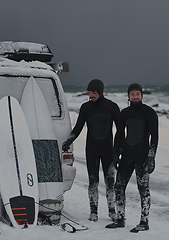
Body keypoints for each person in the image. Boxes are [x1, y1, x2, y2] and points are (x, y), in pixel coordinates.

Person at [62, 79, 120, 222]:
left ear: (100, 91)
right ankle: (93, 211)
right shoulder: (86, 107)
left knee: (110, 182)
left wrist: (118, 150)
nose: (91, 95)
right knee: (93, 181)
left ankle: (112, 211)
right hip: (92, 149)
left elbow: (120, 129)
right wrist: (70, 140)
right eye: (89, 92)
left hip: (108, 150)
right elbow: (79, 126)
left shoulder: (112, 107)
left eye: (94, 92)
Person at [105, 83, 158, 233]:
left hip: (142, 156)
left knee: (143, 189)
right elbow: (120, 134)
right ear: (128, 96)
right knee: (119, 187)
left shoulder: (149, 112)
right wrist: (116, 154)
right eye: (132, 94)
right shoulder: (125, 113)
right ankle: (120, 219)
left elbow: (155, 137)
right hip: (127, 155)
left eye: (137, 94)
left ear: (141, 95)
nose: (135, 97)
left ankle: (144, 221)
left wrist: (151, 157)